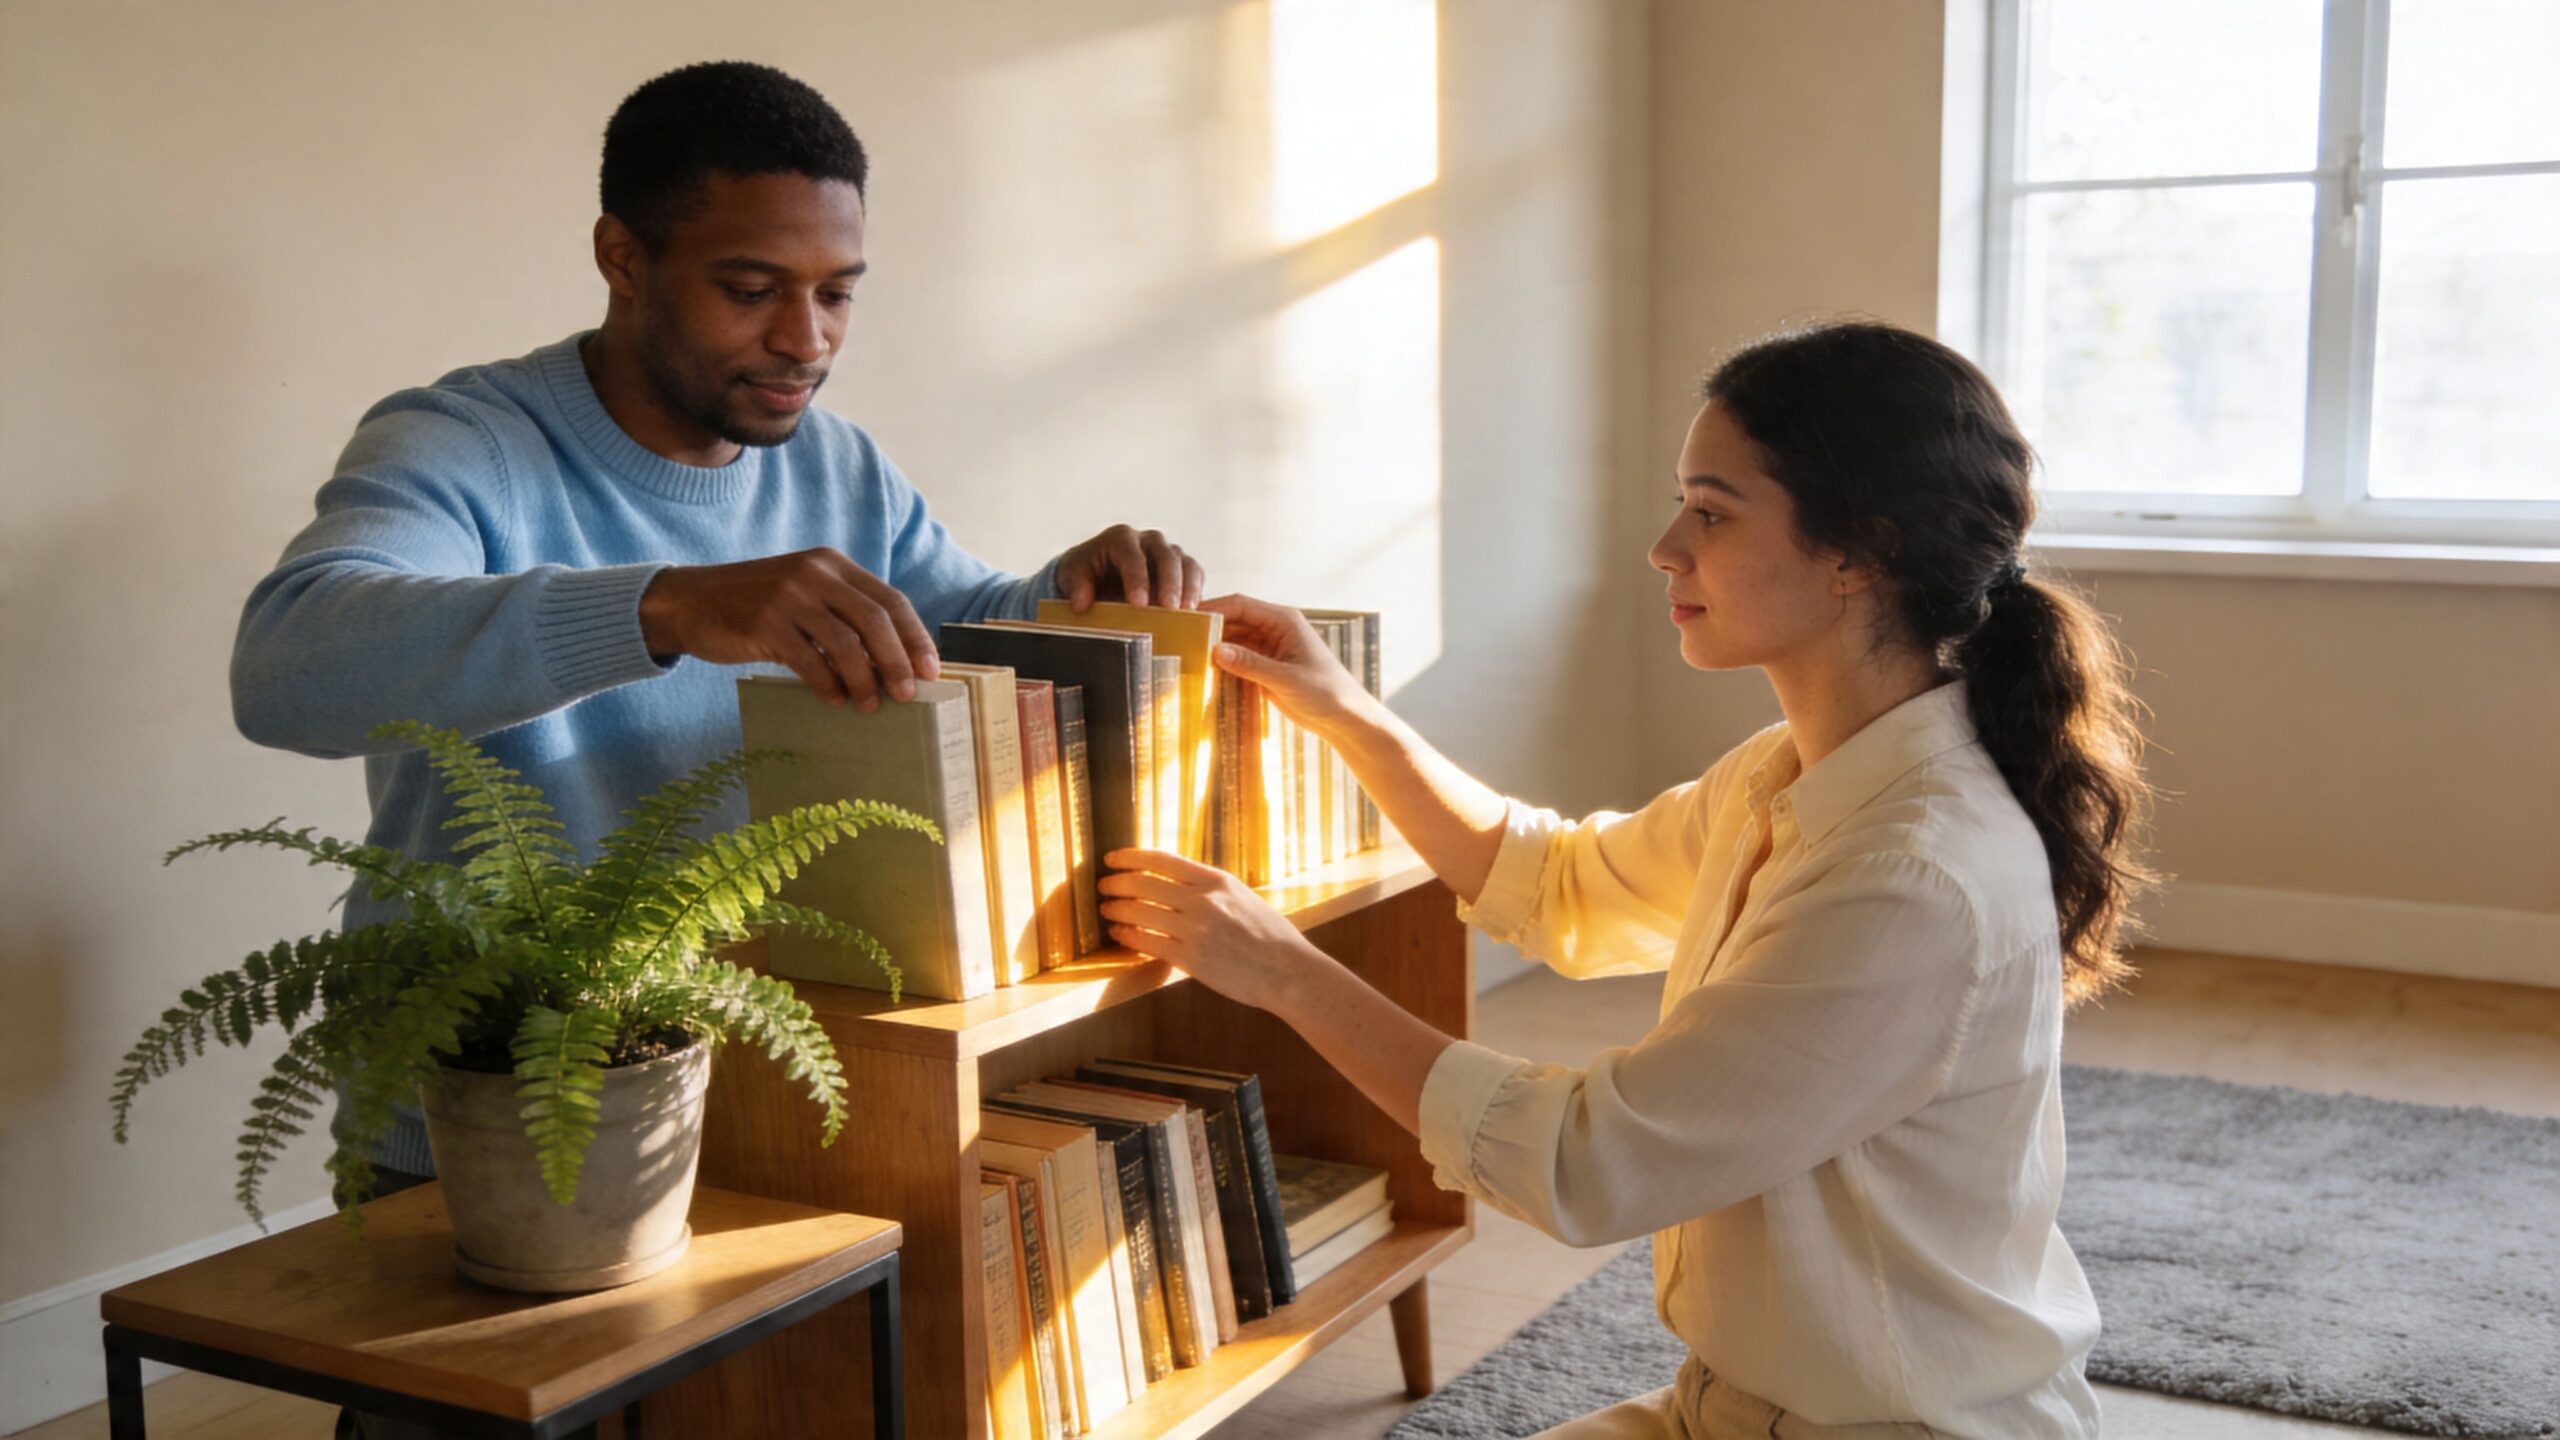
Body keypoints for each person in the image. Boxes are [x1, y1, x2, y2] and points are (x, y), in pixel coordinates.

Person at [1101, 321, 2150, 1437]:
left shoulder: (1909, 874)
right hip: (1728, 1411)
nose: (1664, 547)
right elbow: (1561, 885)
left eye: (1710, 510)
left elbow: (1588, 1163)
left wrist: (1287, 975)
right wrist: (1345, 712)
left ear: (1856, 554)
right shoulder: (1798, 772)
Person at [231, 60, 1206, 1193]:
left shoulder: (838, 465)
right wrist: (670, 606)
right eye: (751, 289)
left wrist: (1072, 587)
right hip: (503, 1107)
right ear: (624, 258)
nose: (806, 340)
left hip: (771, 1071)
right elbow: (286, 668)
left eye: (837, 292)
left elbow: (946, 621)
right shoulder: (464, 443)